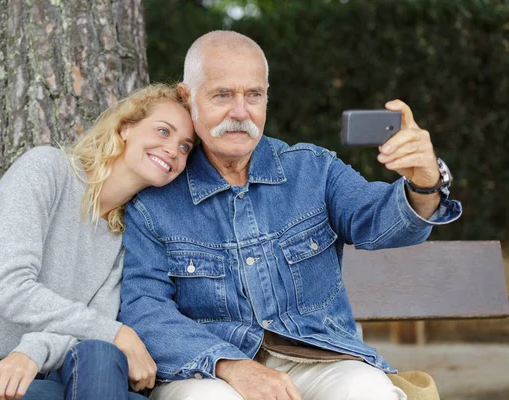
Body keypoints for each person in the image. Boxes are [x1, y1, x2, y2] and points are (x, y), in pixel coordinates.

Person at [118, 31, 462, 400]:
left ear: (267, 97)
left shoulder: (312, 170)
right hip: (207, 370)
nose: (240, 112)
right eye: (222, 95)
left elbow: (381, 221)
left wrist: (425, 184)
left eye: (253, 95)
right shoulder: (154, 201)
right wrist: (228, 365)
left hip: (317, 358)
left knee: (366, 390)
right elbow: (144, 307)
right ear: (188, 98)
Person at [0, 83, 195, 400]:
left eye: (185, 147)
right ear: (126, 127)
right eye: (164, 131)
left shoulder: (128, 233)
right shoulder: (47, 170)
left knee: (101, 353)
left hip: (65, 376)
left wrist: (36, 350)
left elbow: (93, 332)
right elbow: (9, 288)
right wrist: (117, 334)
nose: (173, 150)